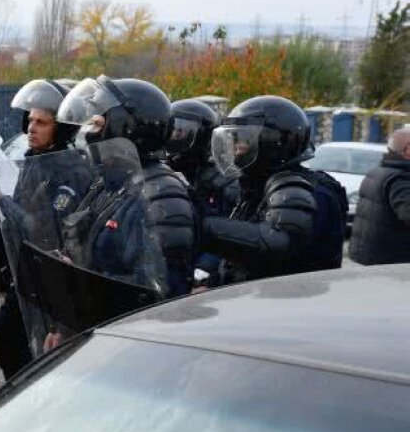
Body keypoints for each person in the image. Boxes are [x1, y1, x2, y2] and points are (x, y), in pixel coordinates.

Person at [0, 79, 90, 380]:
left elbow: (43, 227)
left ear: (60, 128)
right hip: (27, 273)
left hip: (52, 278)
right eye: (30, 120)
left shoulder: (70, 169)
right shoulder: (35, 161)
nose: (32, 127)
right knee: (4, 341)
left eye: (41, 122)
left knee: (39, 357)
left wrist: (2, 201)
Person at [57, 76, 196, 297]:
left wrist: (81, 281)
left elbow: (155, 290)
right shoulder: (111, 183)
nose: (90, 133)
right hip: (92, 319)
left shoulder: (162, 196)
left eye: (98, 124)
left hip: (130, 328)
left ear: (126, 128)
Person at [203, 95, 347, 283]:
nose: (236, 150)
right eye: (233, 141)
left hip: (289, 302)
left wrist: (203, 227)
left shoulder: (312, 193)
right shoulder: (257, 186)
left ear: (272, 143)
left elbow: (271, 250)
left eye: (243, 142)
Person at [167, 98, 238, 286]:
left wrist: (204, 270)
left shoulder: (224, 181)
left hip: (203, 278)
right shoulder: (161, 172)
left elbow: (227, 232)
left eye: (180, 131)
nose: (174, 137)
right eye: (171, 130)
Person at [349, 127, 410, 265]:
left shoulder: (377, 172)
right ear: (408, 150)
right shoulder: (401, 179)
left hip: (367, 256)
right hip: (391, 264)